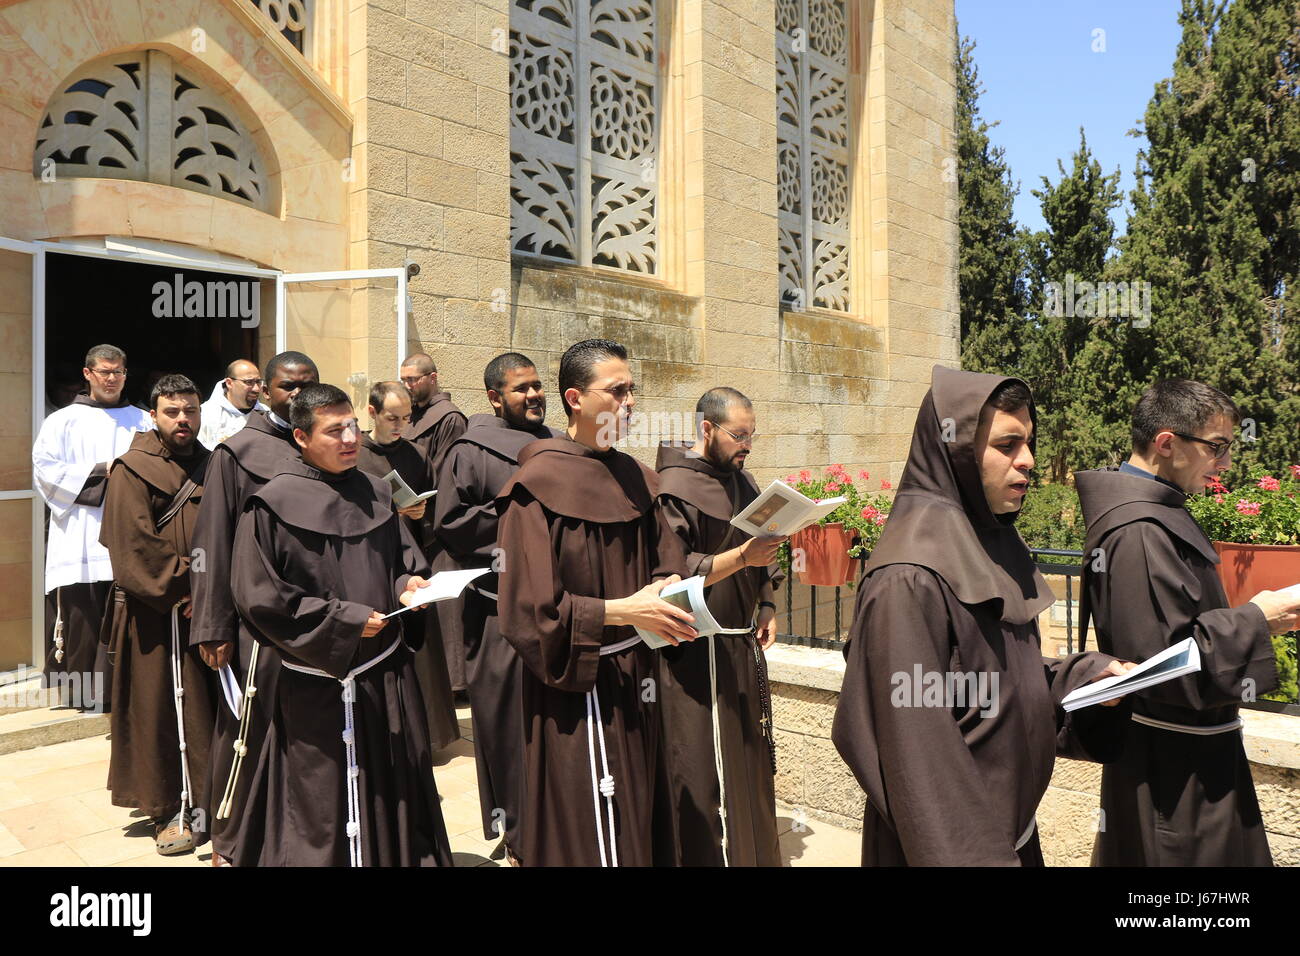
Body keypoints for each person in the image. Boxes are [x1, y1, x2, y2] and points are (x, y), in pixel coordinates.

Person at [831, 365, 1134, 866]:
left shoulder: (989, 545)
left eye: (1029, 443)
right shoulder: (908, 577)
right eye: (1007, 445)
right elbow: (920, 758)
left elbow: (993, 684)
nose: (1028, 462)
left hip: (1007, 839)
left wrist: (1085, 681)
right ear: (957, 452)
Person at [1075, 379, 1300, 866]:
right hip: (1174, 775)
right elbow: (1163, 668)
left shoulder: (1158, 512)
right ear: (1166, 443)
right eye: (1216, 448)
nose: (1225, 464)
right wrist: (1257, 619)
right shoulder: (1137, 531)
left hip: (1193, 759)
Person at [230, 383, 453, 866]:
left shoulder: (375, 491)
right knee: (321, 799)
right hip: (317, 684)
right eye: (335, 431)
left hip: (385, 676)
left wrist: (409, 585)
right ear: (301, 438)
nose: (351, 438)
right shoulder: (270, 505)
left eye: (352, 425)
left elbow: (399, 560)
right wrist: (344, 621)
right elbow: (261, 597)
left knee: (391, 786)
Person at [495, 339, 694, 866]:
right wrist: (622, 611)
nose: (630, 404)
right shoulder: (533, 487)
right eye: (617, 391)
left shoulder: (636, 478)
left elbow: (667, 562)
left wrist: (683, 585)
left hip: (635, 677)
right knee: (588, 819)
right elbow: (526, 611)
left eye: (633, 391)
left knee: (637, 811)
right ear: (575, 398)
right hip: (571, 685)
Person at [189, 350, 317, 866]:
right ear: (265, 390)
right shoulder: (237, 453)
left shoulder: (323, 447)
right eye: (289, 386)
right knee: (245, 730)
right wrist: (212, 624)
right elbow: (212, 543)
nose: (299, 395)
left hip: (311, 620)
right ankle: (230, 839)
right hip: (252, 626)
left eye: (309, 384)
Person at [652, 387, 786, 867]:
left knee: (747, 760)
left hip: (738, 643)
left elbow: (761, 551)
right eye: (738, 435)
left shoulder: (743, 481)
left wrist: (767, 602)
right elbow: (673, 570)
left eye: (751, 434)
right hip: (695, 651)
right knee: (703, 768)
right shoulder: (671, 487)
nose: (746, 445)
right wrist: (741, 558)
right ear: (706, 429)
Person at [432, 352, 556, 860]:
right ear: (494, 398)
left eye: (536, 386)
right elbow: (451, 522)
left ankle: (554, 821)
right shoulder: (468, 450)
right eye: (520, 388)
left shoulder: (556, 444)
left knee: (550, 722)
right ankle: (516, 830)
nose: (532, 395)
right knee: (504, 723)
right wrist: (517, 511)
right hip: (496, 610)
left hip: (554, 608)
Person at [99, 374, 217, 855]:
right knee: (159, 712)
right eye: (172, 411)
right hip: (155, 616)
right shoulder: (132, 469)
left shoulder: (214, 465)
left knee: (206, 711)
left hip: (206, 610)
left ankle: (210, 798)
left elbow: (229, 530)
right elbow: (131, 545)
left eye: (190, 410)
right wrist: (186, 584)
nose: (183, 419)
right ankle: (168, 806)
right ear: (154, 415)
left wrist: (212, 587)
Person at [32, 344, 151, 712]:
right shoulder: (62, 421)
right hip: (80, 535)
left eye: (118, 372)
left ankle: (125, 691)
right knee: (84, 615)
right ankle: (85, 694)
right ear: (88, 374)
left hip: (129, 533)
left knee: (128, 616)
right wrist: (104, 472)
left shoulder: (145, 420)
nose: (112, 378)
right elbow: (45, 471)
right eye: (104, 371)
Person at [355, 380, 459, 752]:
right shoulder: (355, 455)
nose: (400, 425)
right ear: (371, 413)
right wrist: (391, 512)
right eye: (392, 417)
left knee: (424, 650)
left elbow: (438, 508)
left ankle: (429, 735)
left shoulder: (416, 454)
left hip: (414, 560)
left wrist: (421, 512)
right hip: (374, 564)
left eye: (406, 418)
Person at [399, 352, 471, 692]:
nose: (408, 385)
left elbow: (444, 473)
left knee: (447, 605)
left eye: (414, 379)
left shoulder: (449, 418)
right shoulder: (411, 415)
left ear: (433, 378)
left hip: (436, 522)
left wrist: (417, 504)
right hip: (409, 519)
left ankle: (456, 682)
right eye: (404, 380)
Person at [198, 359, 267, 449]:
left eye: (258, 382)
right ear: (229, 383)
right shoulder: (205, 415)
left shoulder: (266, 414)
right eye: (249, 382)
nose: (256, 389)